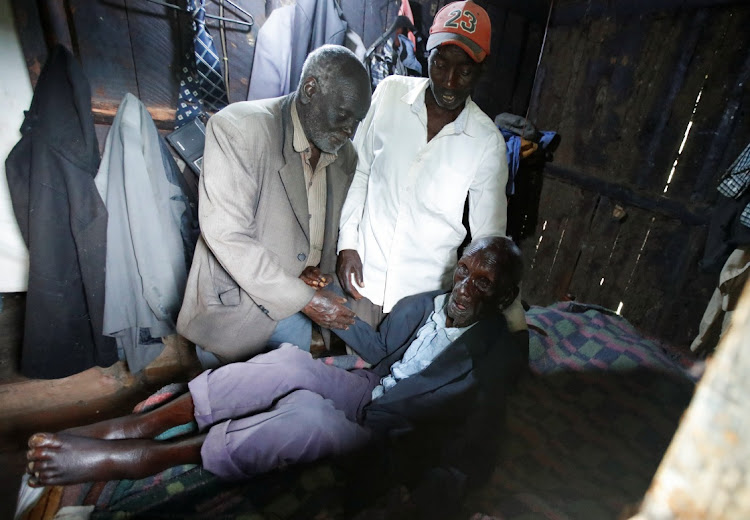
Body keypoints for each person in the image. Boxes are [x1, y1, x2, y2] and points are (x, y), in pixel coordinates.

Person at [25, 236, 526, 487]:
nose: (463, 288)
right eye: (463, 270)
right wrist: (329, 303)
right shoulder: (426, 304)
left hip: (388, 436)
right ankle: (141, 427)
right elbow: (379, 351)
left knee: (305, 412)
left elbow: (478, 441)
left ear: (505, 295)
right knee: (288, 363)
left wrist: (440, 489)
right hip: (369, 390)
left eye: (481, 283)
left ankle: (162, 456)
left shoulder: (495, 356)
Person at [176, 45, 371, 364]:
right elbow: (229, 236)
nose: (350, 130)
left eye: (358, 120)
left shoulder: (345, 155)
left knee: (284, 394)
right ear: (311, 89)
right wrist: (306, 299)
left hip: (296, 309)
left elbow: (315, 228)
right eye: (344, 114)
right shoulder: (241, 129)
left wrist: (313, 269)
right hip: (238, 308)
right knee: (223, 404)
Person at [336, 1, 513, 329]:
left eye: (465, 71)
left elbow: (488, 238)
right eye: (440, 64)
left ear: (482, 68)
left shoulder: (487, 142)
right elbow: (359, 171)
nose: (449, 81)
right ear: (427, 54)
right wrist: (347, 243)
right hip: (363, 278)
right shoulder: (390, 94)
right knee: (345, 370)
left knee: (396, 378)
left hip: (422, 300)